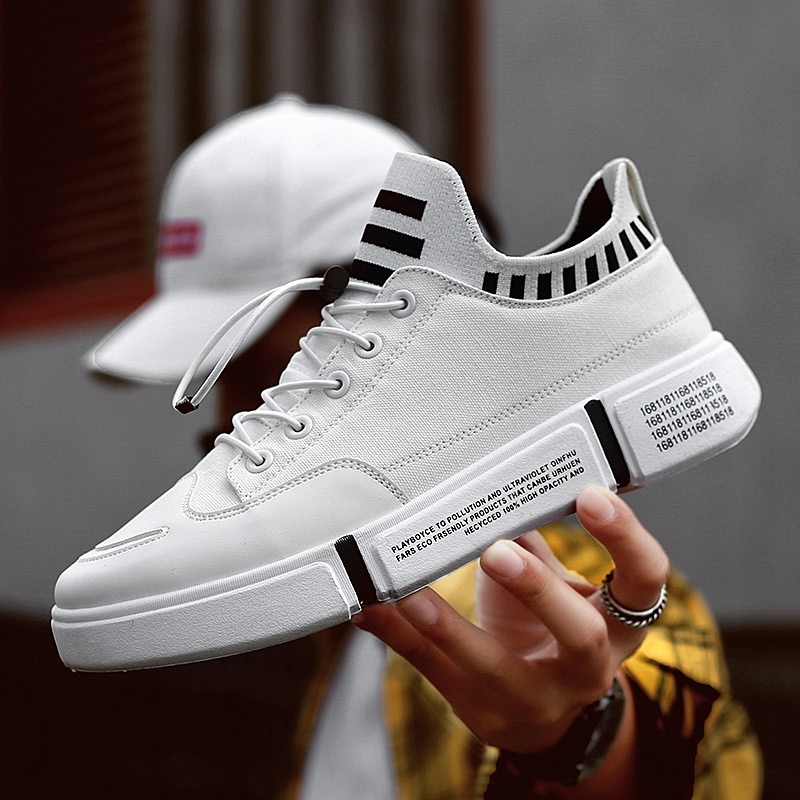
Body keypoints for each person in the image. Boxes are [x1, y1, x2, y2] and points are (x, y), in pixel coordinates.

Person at [81, 96, 762, 799]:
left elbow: (691, 740)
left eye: (263, 370)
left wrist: (577, 734)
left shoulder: (532, 589)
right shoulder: (346, 622)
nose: (232, 422)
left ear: (377, 319)